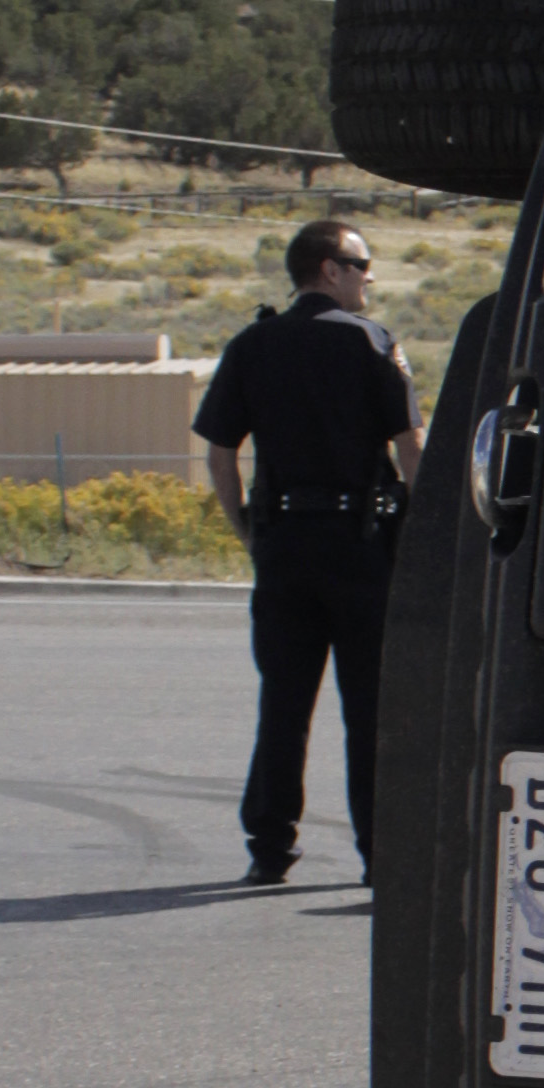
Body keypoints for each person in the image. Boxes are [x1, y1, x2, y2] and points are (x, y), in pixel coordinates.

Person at [194, 219, 425, 885]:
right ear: (329, 269)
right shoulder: (373, 343)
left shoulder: (252, 343)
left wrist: (248, 529)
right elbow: (409, 446)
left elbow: (218, 451)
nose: (368, 277)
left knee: (284, 705)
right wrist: (421, 533)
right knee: (370, 709)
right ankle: (380, 854)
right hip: (360, 547)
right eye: (361, 264)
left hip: (284, 546)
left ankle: (269, 848)